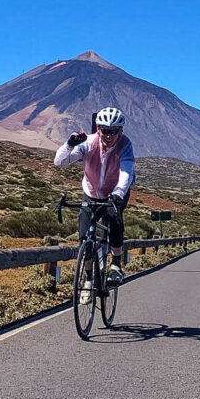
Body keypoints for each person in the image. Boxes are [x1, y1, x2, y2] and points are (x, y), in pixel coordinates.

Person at [54, 107, 135, 286]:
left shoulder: (125, 145)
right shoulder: (88, 143)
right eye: (105, 130)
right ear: (98, 128)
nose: (109, 135)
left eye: (114, 131)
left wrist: (119, 192)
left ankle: (115, 265)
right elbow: (59, 163)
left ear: (120, 131)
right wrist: (69, 144)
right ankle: (88, 278)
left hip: (115, 193)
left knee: (114, 219)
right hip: (91, 192)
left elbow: (126, 172)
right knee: (84, 237)